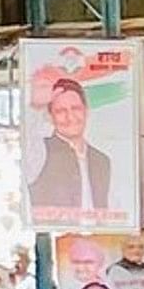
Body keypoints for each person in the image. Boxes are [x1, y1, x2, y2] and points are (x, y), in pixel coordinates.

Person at [28, 78, 115, 214]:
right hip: (56, 234)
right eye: (61, 111)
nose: (70, 117)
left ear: (86, 111)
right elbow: (28, 135)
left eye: (76, 109)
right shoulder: (40, 152)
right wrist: (36, 107)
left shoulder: (102, 161)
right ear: (50, 117)